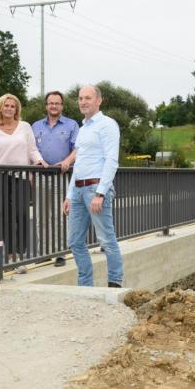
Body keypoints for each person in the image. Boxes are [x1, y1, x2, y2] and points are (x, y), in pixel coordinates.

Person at [63, 85, 123, 288]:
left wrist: (100, 193)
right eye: (80, 98)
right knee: (75, 241)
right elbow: (78, 164)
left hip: (95, 189)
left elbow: (111, 160)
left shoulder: (107, 125)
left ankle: (115, 283)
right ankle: (85, 285)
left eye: (87, 98)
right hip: (79, 190)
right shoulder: (83, 129)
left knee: (106, 239)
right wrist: (69, 195)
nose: (83, 102)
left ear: (99, 100)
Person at [0, 93, 47, 273]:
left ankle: (21, 256)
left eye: (12, 106)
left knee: (22, 215)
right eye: (6, 105)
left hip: (21, 176)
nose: (9, 109)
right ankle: (10, 257)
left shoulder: (24, 127)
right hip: (1, 177)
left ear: (17, 109)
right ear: (0, 107)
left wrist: (39, 161)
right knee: (6, 217)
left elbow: (32, 149)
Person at [31, 91, 79, 267]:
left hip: (61, 175)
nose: (53, 106)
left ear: (62, 106)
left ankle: (59, 252)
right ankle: (44, 252)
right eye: (50, 103)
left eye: (57, 103)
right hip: (40, 176)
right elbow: (31, 150)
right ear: (46, 106)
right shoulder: (35, 126)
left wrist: (67, 161)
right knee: (41, 216)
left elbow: (77, 148)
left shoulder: (72, 125)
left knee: (60, 214)